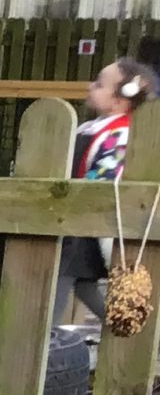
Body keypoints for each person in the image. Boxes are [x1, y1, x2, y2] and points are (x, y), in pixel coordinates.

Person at [60, 56, 154, 318]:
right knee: (82, 284)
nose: (91, 86)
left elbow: (106, 178)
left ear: (118, 100)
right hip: (76, 219)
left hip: (87, 221)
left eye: (100, 84)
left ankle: (47, 336)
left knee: (64, 276)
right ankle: (121, 324)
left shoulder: (119, 134)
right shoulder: (93, 127)